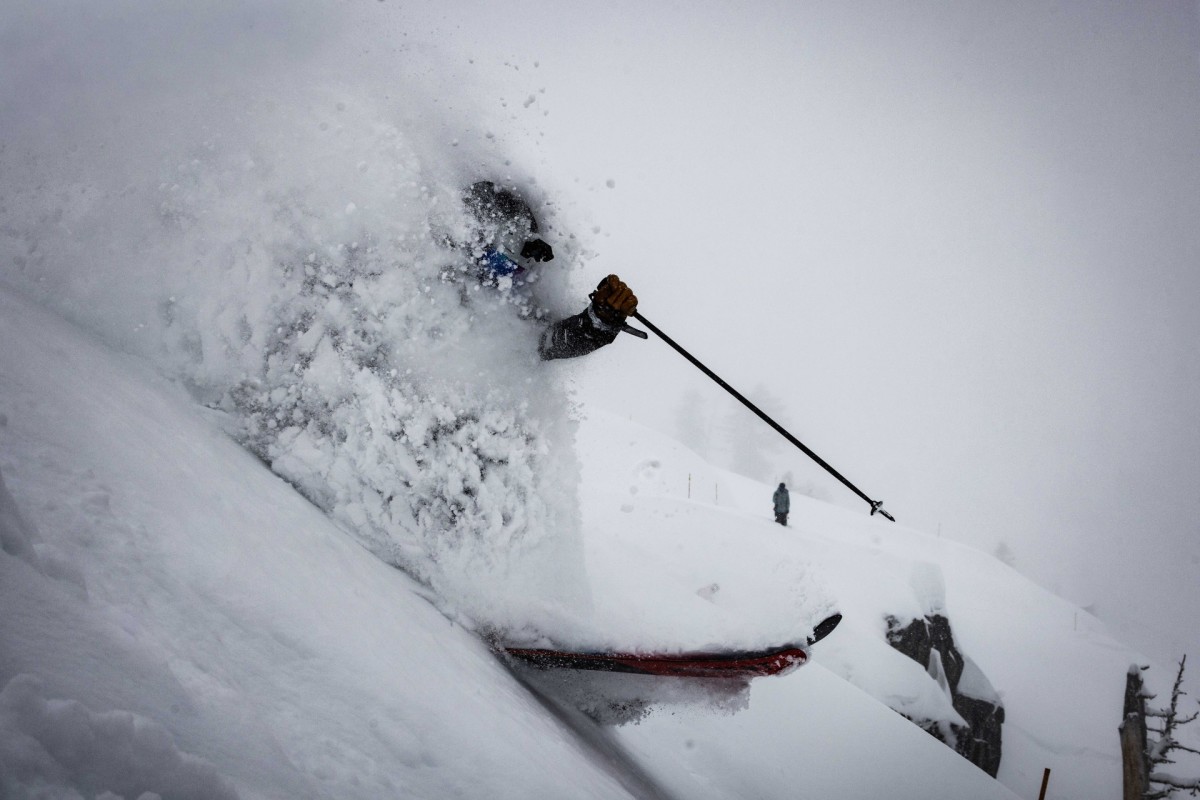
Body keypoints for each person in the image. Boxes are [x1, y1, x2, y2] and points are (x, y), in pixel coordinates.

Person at [458, 180, 638, 361]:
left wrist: (599, 322)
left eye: (516, 272)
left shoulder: (510, 310)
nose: (503, 280)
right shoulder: (438, 276)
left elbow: (549, 341)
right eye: (500, 264)